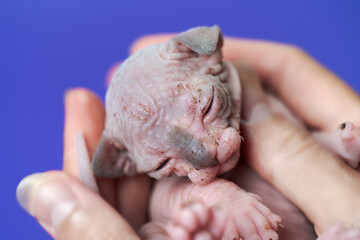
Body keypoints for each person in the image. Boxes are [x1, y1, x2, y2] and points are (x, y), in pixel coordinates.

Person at [16, 35, 360, 240]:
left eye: (206, 107)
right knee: (156, 227)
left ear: (204, 56)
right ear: (125, 161)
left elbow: (318, 168)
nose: (204, 155)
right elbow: (170, 199)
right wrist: (220, 197)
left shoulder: (265, 99)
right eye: (163, 161)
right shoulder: (174, 184)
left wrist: (337, 143)